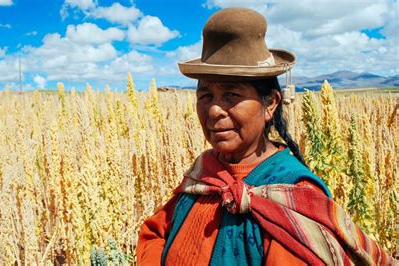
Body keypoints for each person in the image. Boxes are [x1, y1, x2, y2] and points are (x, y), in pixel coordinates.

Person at [137, 8, 394, 265]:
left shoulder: (293, 195)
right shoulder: (204, 173)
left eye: (231, 95)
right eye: (205, 96)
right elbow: (155, 232)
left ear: (270, 103)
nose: (214, 110)